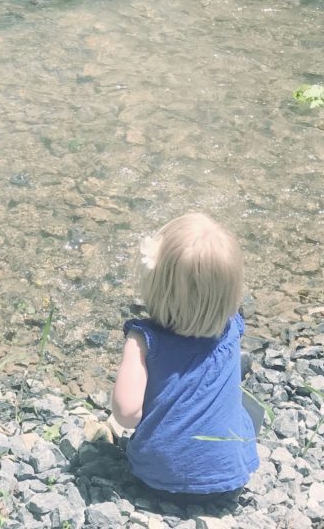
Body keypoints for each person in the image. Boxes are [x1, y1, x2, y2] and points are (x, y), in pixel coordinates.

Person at [111, 212, 260, 506]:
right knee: (248, 405)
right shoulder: (233, 327)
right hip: (230, 480)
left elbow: (127, 414)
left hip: (157, 480)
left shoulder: (142, 339)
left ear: (154, 285)